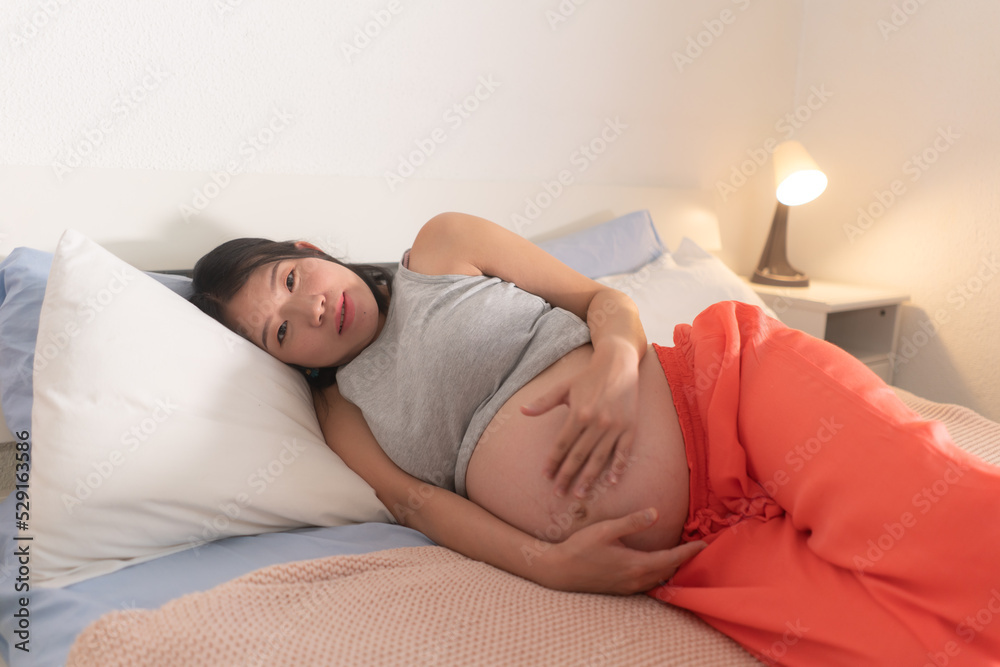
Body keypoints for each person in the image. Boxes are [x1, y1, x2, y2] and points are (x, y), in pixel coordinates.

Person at [191, 212, 1000, 666]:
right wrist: (550, 564)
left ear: (306, 250)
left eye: (291, 281)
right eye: (280, 332)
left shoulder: (442, 247)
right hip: (692, 550)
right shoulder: (342, 411)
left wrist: (614, 361)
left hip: (729, 399)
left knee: (947, 524)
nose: (309, 310)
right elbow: (417, 504)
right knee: (891, 648)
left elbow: (601, 300)